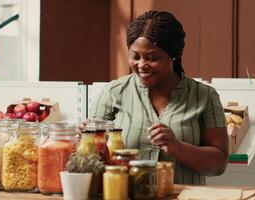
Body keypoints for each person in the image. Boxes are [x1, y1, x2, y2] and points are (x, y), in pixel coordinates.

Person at [90, 10, 228, 185]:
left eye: (152, 58)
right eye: (135, 56)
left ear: (174, 55)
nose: (141, 65)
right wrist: (83, 141)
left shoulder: (204, 96)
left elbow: (218, 165)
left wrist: (176, 146)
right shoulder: (113, 93)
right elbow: (91, 161)